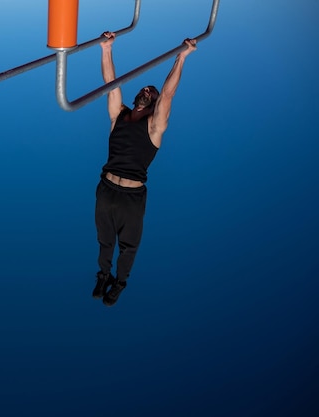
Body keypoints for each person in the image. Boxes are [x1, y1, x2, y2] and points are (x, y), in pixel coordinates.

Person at [92, 31, 197, 307]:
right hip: (106, 189)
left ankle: (119, 283)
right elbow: (111, 84)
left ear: (153, 105)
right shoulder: (119, 115)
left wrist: (181, 57)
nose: (148, 91)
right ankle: (103, 275)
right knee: (105, 241)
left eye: (153, 92)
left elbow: (169, 95)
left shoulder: (154, 127)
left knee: (128, 246)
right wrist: (106, 49)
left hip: (131, 197)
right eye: (146, 89)